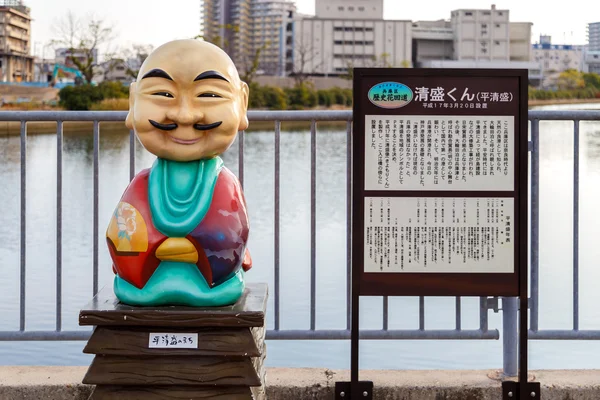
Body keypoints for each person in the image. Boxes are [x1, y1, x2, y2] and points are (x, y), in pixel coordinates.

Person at [105, 39, 252, 307]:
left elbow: (231, 231)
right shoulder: (143, 183)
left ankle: (213, 282)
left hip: (212, 282)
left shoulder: (224, 183)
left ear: (242, 105)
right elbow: (123, 234)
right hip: (145, 282)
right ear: (132, 102)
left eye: (209, 95)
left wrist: (184, 247)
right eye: (162, 94)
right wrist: (157, 246)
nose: (185, 115)